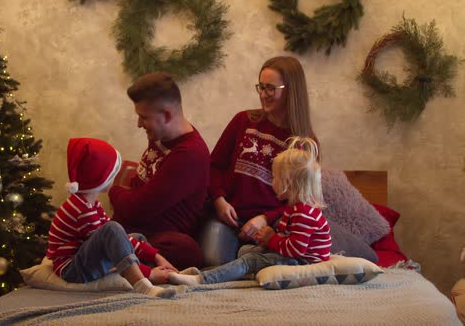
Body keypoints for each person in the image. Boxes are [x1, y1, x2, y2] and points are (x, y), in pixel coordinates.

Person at [200, 56, 319, 267]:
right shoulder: (242, 121)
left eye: (271, 88)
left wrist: (265, 218)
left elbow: (303, 197)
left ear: (291, 90)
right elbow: (214, 165)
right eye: (261, 87)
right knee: (214, 261)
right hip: (227, 217)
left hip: (271, 226)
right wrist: (219, 200)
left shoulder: (303, 141)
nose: (264, 95)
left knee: (256, 263)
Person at [169, 137, 330, 285]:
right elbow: (287, 237)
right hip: (291, 255)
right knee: (246, 250)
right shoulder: (294, 208)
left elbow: (296, 250)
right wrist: (268, 239)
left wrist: (271, 238)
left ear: (287, 183)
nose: (271, 182)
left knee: (250, 259)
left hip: (301, 262)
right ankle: (213, 273)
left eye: (274, 177)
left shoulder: (303, 213)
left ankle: (201, 279)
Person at [46, 138, 177, 298]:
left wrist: (157, 256)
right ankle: (143, 284)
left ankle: (162, 272)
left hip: (82, 255)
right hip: (72, 269)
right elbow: (109, 242)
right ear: (101, 178)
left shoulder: (91, 204)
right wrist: (148, 273)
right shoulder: (81, 210)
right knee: (113, 230)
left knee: (134, 237)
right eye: (113, 173)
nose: (115, 177)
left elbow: (118, 240)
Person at [109, 72, 210, 270]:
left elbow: (138, 210)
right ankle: (116, 252)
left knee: (186, 249)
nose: (139, 124)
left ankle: (119, 257)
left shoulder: (189, 154)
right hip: (131, 228)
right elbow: (138, 198)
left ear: (166, 115)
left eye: (143, 117)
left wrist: (114, 190)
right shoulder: (159, 134)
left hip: (156, 235)